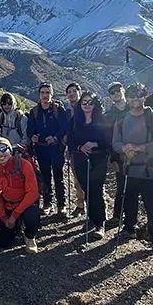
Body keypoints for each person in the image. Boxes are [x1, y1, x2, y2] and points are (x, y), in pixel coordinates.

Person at [107, 65, 153, 227]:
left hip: (148, 165)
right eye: (112, 91)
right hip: (125, 162)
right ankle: (123, 221)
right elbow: (110, 139)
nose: (116, 93)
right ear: (110, 96)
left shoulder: (146, 111)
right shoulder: (111, 116)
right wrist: (115, 157)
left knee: (150, 201)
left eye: (118, 90)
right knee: (124, 192)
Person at [112, 83, 153, 255]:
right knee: (129, 202)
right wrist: (123, 148)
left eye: (139, 96)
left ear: (144, 97)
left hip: (149, 171)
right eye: (132, 96)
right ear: (127, 99)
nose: (136, 99)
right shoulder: (121, 120)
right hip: (129, 170)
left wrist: (138, 148)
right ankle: (129, 229)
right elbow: (115, 143)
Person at [67, 91, 112, 240]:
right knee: (86, 187)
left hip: (99, 159)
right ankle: (92, 218)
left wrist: (95, 144)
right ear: (80, 104)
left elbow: (109, 141)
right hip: (81, 159)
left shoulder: (103, 120)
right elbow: (70, 140)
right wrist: (80, 147)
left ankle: (100, 222)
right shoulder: (75, 120)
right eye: (84, 102)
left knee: (96, 188)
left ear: (95, 104)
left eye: (90, 102)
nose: (87, 105)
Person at [0, 137, 41, 253]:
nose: (0, 154)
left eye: (3, 149)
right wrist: (4, 217)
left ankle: (30, 236)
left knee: (32, 216)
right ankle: (16, 226)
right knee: (3, 242)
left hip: (26, 204)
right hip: (9, 205)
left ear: (9, 150)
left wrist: (14, 215)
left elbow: (32, 193)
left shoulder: (24, 164)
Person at [27, 82, 69, 216]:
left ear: (52, 94)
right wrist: (33, 136)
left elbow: (64, 127)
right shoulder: (33, 112)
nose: (45, 95)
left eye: (47, 93)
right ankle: (47, 203)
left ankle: (61, 205)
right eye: (42, 93)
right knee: (45, 178)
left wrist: (56, 137)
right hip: (42, 149)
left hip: (56, 148)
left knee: (58, 177)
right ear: (39, 95)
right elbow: (30, 130)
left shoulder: (58, 110)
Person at [64, 82, 86, 217]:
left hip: (87, 149)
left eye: (74, 91)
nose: (71, 94)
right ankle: (80, 205)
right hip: (73, 150)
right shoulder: (67, 111)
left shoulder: (86, 107)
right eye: (69, 92)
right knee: (77, 179)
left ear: (79, 92)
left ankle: (95, 209)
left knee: (91, 179)